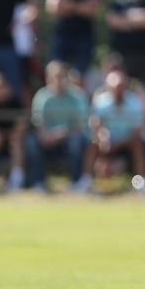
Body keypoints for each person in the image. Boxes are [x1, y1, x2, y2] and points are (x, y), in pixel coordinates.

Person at [26, 61, 91, 192]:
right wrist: (50, 136)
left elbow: (80, 127)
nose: (60, 80)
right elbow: (39, 126)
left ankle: (77, 183)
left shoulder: (78, 96)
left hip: (70, 139)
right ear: (48, 78)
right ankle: (39, 182)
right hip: (48, 140)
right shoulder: (41, 97)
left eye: (63, 76)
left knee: (77, 141)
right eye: (56, 76)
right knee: (31, 141)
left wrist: (62, 134)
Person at [86, 70, 145, 190]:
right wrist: (103, 137)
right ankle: (87, 180)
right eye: (115, 87)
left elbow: (137, 131)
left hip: (128, 142)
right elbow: (97, 124)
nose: (118, 90)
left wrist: (119, 144)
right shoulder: (101, 102)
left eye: (120, 87)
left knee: (138, 145)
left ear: (125, 87)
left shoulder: (134, 102)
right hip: (107, 143)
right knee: (93, 143)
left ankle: (139, 183)